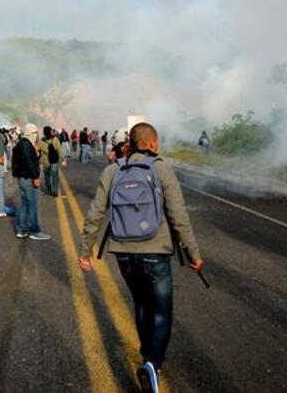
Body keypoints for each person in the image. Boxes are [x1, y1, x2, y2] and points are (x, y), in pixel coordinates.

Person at [79, 122, 204, 393]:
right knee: (160, 310)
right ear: (153, 143)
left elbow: (95, 213)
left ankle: (149, 352)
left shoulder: (112, 170)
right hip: (155, 251)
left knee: (141, 304)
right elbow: (179, 216)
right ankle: (152, 362)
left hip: (123, 251)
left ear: (131, 143)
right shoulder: (161, 168)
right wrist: (193, 253)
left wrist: (85, 250)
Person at [12, 123, 51, 241]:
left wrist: (37, 152)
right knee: (32, 205)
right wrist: (36, 177)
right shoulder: (27, 146)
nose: (37, 135)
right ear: (31, 133)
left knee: (24, 205)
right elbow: (30, 163)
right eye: (35, 133)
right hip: (28, 178)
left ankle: (21, 230)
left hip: (22, 178)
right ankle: (34, 230)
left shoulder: (21, 144)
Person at [38, 125, 66, 197]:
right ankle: (55, 191)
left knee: (47, 176)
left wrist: (39, 162)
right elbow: (59, 150)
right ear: (50, 132)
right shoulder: (55, 139)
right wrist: (63, 159)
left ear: (44, 133)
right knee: (55, 176)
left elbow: (39, 153)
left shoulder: (41, 141)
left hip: (45, 162)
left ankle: (48, 190)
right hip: (54, 161)